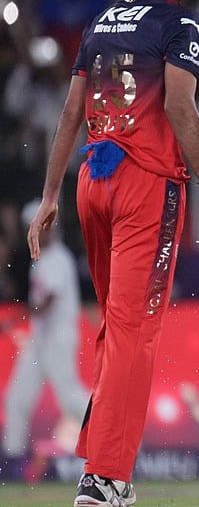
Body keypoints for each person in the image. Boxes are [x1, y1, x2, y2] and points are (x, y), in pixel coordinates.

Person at [25, 0, 199, 507]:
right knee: (134, 333)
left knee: (117, 330)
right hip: (146, 184)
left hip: (93, 182)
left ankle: (100, 459)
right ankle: (106, 477)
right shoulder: (180, 23)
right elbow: (178, 106)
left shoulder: (102, 21)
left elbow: (71, 112)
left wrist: (49, 196)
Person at [3, 201, 89, 476]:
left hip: (59, 338)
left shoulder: (58, 258)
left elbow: (47, 303)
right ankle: (13, 462)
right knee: (16, 398)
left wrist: (14, 320)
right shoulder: (40, 258)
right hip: (40, 339)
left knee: (71, 398)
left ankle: (110, 435)